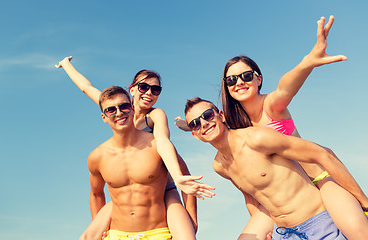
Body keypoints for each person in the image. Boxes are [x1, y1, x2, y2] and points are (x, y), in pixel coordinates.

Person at [176, 16, 368, 238]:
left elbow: (286, 86)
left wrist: (308, 62)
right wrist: (186, 126)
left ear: (258, 79)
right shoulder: (234, 122)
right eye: (231, 80)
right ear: (226, 88)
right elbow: (208, 126)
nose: (239, 82)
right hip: (284, 204)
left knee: (358, 231)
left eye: (246, 76)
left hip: (320, 180)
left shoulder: (272, 106)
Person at [55, 59, 214, 239]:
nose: (149, 93)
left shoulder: (155, 115)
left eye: (156, 90)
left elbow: (162, 141)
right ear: (132, 89)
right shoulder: (116, 105)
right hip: (127, 187)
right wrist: (66, 65)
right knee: (89, 235)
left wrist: (177, 178)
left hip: (164, 184)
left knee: (186, 234)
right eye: (144, 87)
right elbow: (86, 87)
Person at [184, 97, 368, 239]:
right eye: (195, 123)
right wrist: (266, 231)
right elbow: (251, 196)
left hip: (319, 222)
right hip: (284, 233)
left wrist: (363, 203)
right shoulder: (219, 166)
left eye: (207, 115)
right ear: (194, 134)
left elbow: (323, 154)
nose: (204, 123)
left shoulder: (257, 139)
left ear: (221, 115)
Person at [86, 86, 175, 239]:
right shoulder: (97, 157)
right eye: (110, 110)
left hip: (157, 233)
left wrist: (193, 220)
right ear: (104, 117)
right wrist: (99, 226)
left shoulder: (156, 145)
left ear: (132, 108)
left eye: (124, 106)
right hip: (117, 234)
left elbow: (185, 177)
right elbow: (96, 194)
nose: (119, 113)